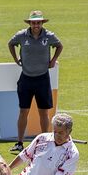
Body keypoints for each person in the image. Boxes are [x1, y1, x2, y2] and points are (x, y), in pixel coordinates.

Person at [7, 10, 63, 153]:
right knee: (23, 111)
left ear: (42, 23)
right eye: (33, 22)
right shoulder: (21, 35)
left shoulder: (49, 36)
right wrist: (15, 59)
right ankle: (19, 143)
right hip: (26, 78)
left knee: (43, 113)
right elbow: (10, 43)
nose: (36, 25)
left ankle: (44, 142)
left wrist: (53, 60)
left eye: (38, 22)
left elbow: (59, 46)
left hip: (42, 79)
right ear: (30, 23)